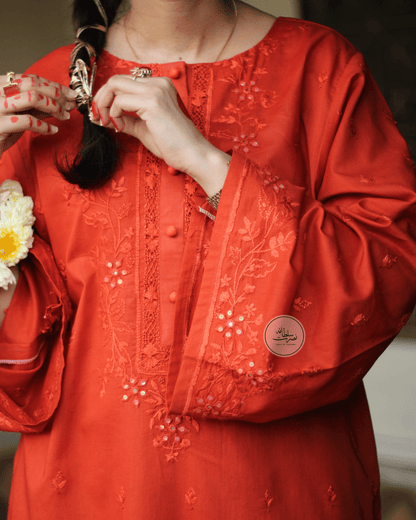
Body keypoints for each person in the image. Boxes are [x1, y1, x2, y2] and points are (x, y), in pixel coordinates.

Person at [0, 0, 415, 518]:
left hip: (282, 485)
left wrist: (208, 164)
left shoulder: (320, 65)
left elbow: (385, 271)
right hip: (88, 481)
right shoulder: (47, 90)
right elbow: (18, 332)